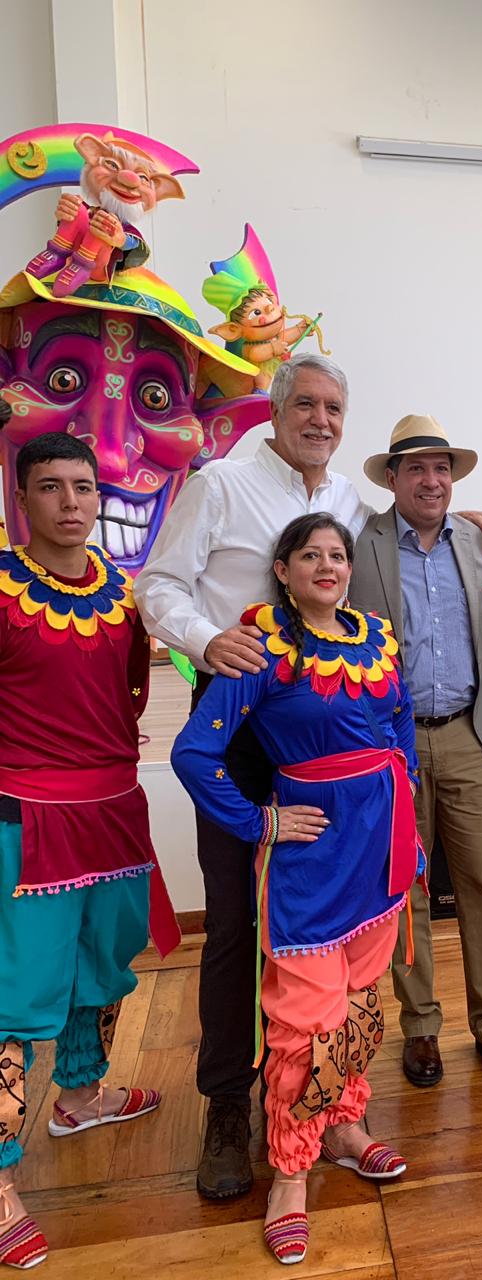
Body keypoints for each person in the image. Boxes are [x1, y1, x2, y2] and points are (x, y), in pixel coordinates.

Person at [135, 352, 482, 1197]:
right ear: (275, 410)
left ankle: (332, 1107)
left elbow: (404, 531)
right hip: (240, 718)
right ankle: (230, 1105)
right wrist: (206, 640)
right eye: (305, 404)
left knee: (345, 929)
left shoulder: (346, 503)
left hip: (331, 737)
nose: (321, 420)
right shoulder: (221, 484)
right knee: (236, 922)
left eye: (335, 408)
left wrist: (469, 516)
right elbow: (156, 585)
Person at [172, 512, 420, 1266]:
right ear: (281, 571)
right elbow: (195, 751)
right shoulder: (262, 645)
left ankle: (345, 1127)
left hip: (379, 843)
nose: (326, 565)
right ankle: (288, 1172)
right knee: (304, 1020)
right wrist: (259, 823)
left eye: (337, 555)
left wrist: (403, 799)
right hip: (310, 856)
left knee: (361, 1000)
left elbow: (399, 718)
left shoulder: (375, 637)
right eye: (308, 554)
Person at [0, 432, 177, 1271]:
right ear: (21, 498)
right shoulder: (0, 590)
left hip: (113, 811)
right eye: (51, 488)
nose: (72, 502)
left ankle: (79, 1095)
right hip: (25, 819)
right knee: (13, 1001)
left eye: (83, 487)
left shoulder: (121, 590)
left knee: (102, 967)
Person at [350, 416, 482, 1090]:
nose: (432, 480)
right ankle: (420, 1025)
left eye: (442, 469)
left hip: (468, 734)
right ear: (391, 480)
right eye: (417, 469)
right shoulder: (358, 541)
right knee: (406, 885)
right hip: (390, 744)